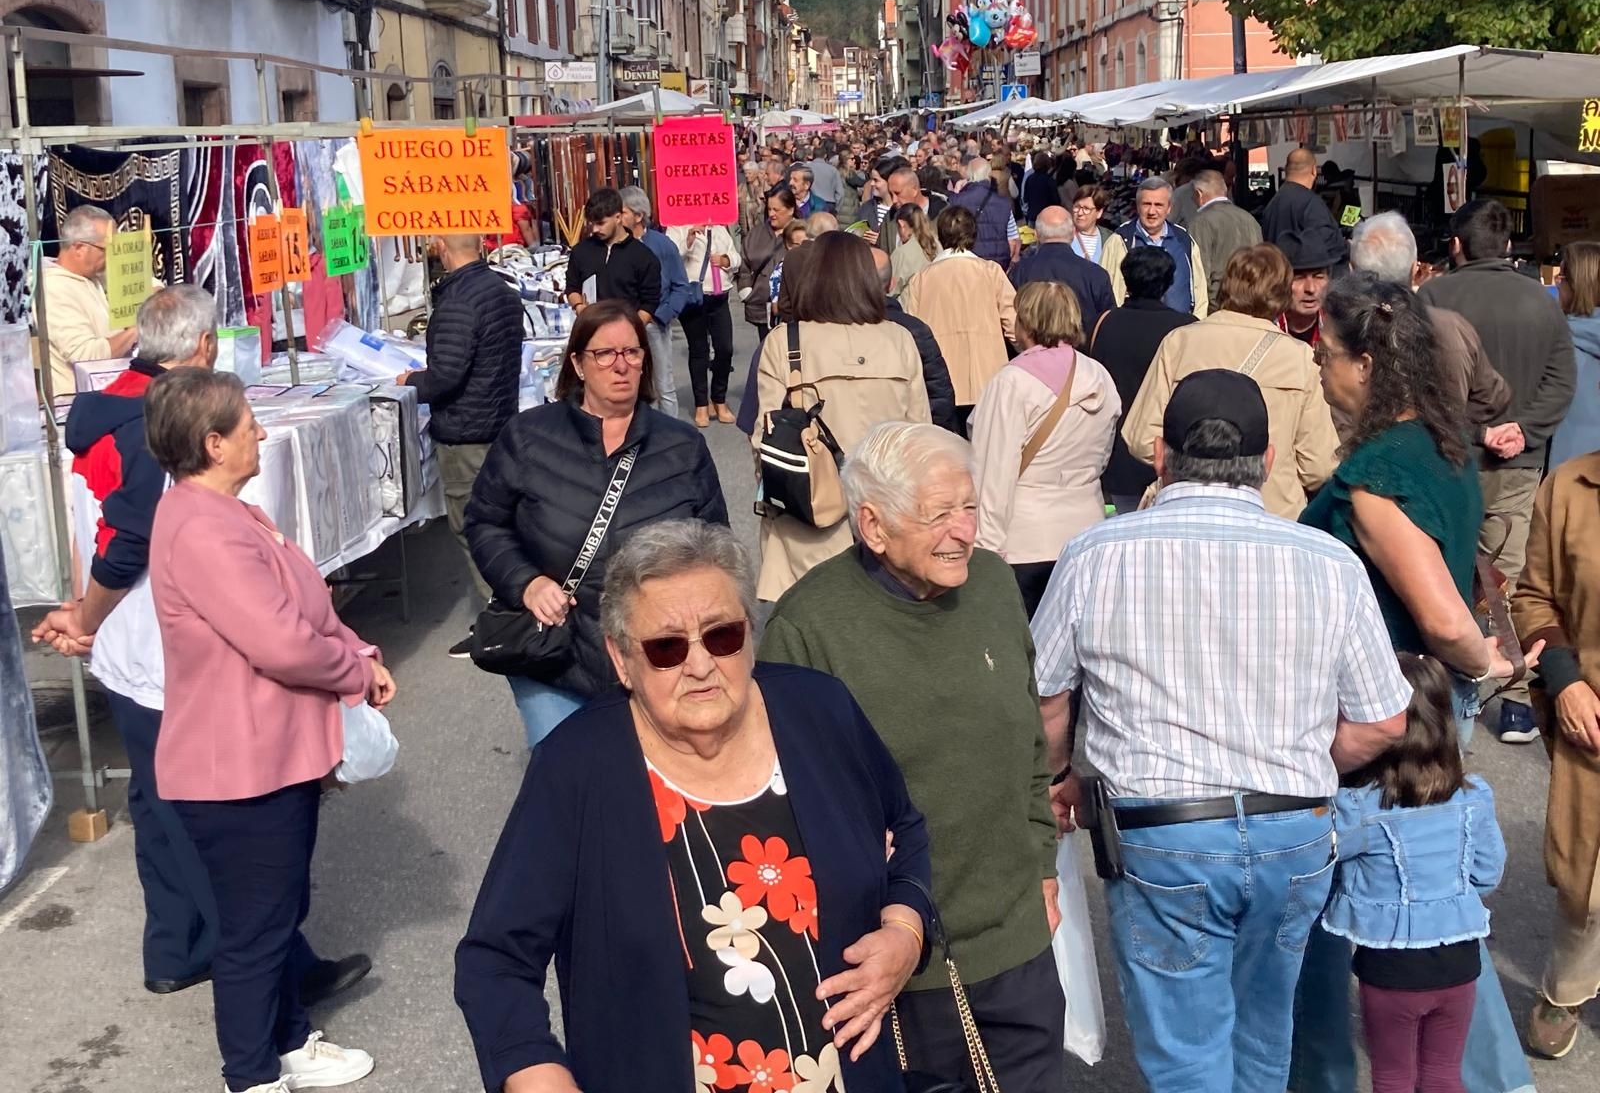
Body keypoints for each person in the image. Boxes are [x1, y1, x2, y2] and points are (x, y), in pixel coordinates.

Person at [455, 520, 936, 1093]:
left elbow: (904, 829)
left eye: (722, 636)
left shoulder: (820, 712)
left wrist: (906, 933)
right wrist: (538, 1076)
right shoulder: (577, 768)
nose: (700, 663)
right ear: (621, 659)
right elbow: (496, 960)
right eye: (665, 648)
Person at [1033, 369, 1412, 1093]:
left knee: (1186, 1057)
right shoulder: (1329, 563)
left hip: (1162, 833)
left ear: (1159, 455)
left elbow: (1048, 697)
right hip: (1292, 833)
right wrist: (1302, 765)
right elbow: (1382, 720)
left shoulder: (1095, 554)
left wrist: (1061, 777)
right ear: (1268, 462)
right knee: (1264, 1041)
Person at [32, 288, 366, 1009]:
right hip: (163, 646)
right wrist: (85, 615)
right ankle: (276, 972)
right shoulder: (173, 421)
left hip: (135, 643)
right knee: (208, 825)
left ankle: (174, 948)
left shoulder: (113, 402)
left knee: (157, 805)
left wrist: (84, 616)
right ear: (205, 346)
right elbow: (127, 542)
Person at [760, 423, 1067, 1093]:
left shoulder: (990, 586)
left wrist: (1043, 864)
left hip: (1018, 945)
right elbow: (782, 811)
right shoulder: (807, 629)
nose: (963, 531)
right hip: (899, 967)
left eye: (969, 508)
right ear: (873, 525)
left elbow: (1027, 745)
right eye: (938, 516)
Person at [1292, 274, 1535, 1093]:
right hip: (1421, 706)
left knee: (1350, 915)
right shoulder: (1438, 441)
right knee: (1433, 914)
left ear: (1366, 363)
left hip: (1388, 712)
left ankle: (1335, 1074)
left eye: (1326, 353)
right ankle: (1490, 1079)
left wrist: (1487, 664)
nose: (1318, 367)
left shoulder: (1378, 472)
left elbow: (1437, 612)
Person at [145, 368, 392, 1093]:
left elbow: (301, 608)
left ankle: (286, 1043)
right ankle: (251, 1075)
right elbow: (280, 644)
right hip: (236, 768)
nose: (260, 431)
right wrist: (351, 673)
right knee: (254, 932)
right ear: (212, 443)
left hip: (267, 755)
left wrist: (356, 653)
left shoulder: (228, 511)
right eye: (247, 423)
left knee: (275, 916)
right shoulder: (201, 529)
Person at [464, 301, 728, 748]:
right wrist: (527, 584)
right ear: (578, 364)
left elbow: (716, 543)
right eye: (604, 354)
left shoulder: (682, 445)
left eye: (632, 352)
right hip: (556, 656)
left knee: (653, 791)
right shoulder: (528, 437)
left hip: (657, 656)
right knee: (569, 784)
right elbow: (485, 522)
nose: (620, 366)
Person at [1425, 199, 1576, 744]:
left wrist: (1478, 431)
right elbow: (1561, 382)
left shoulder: (1435, 296)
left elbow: (1420, 386)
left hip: (1448, 457)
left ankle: (1437, 687)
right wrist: (1522, 431)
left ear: (1457, 245)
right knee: (1507, 579)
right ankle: (1514, 699)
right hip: (1519, 463)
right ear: (1510, 247)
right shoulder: (1543, 301)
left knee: (1442, 572)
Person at [1323, 655, 1506, 1093]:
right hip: (1460, 961)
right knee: (1443, 1075)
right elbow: (1487, 874)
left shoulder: (1358, 808)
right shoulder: (1474, 797)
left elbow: (1325, 867)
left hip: (1390, 967)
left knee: (1393, 1078)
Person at [752, 234, 930, 601]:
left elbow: (764, 441)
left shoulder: (785, 342)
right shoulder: (899, 339)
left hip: (810, 514)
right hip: (885, 512)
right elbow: (921, 436)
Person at [1123, 244, 1340, 518]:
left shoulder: (1180, 342)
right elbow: (1318, 466)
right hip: (1272, 512)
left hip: (1187, 507)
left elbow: (1141, 437)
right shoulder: (1299, 357)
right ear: (1281, 292)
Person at [398, 234, 525, 657]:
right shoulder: (501, 292)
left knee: (472, 524)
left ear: (441, 248)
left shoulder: (457, 302)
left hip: (468, 429)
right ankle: (513, 606)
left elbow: (446, 376)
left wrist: (410, 381)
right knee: (499, 520)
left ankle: (503, 617)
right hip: (496, 420)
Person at [1513, 449, 1600, 1059]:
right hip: (1592, 714)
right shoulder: (1571, 485)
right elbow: (1534, 597)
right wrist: (1565, 680)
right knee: (1585, 878)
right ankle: (1568, 985)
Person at [970, 280, 1120, 614]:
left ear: (1026, 321)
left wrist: (985, 551)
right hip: (1086, 532)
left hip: (1024, 540)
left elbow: (993, 472)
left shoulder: (1012, 382)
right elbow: (1102, 458)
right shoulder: (1101, 377)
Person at [1348, 212, 1512, 441]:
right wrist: (1454, 424)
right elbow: (1494, 396)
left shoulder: (1339, 331)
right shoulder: (1453, 327)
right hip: (1438, 459)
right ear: (1416, 269)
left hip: (1355, 462)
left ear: (1351, 268)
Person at [1089, 248, 1197, 514]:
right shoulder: (1186, 328)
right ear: (1169, 282)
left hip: (1117, 450)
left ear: (1126, 279)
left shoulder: (1105, 322)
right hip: (1170, 450)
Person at [901, 206, 1018, 435]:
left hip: (940, 380)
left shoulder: (921, 279)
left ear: (941, 236)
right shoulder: (991, 272)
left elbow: (909, 330)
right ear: (973, 235)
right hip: (988, 375)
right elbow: (1014, 324)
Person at [41, 204, 137, 397]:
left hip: (115, 394)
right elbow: (86, 356)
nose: (112, 256)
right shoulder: (53, 287)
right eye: (107, 249)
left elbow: (146, 282)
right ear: (79, 248)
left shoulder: (95, 272)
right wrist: (137, 331)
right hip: (78, 403)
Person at [618, 186, 692, 419]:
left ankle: (670, 436)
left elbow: (681, 285)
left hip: (655, 324)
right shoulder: (616, 246)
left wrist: (663, 315)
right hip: (625, 325)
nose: (618, 218)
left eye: (623, 212)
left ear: (638, 216)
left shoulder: (662, 245)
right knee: (632, 385)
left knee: (663, 386)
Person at [870, 245, 958, 433]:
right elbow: (939, 395)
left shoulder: (913, 330)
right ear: (892, 283)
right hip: (908, 437)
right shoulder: (915, 328)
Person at [666, 221, 741, 429]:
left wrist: (726, 259)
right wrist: (688, 240)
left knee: (725, 349)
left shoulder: (719, 228)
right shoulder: (677, 227)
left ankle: (719, 399)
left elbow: (736, 257)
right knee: (699, 350)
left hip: (719, 296)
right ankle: (701, 403)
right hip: (693, 298)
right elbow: (671, 257)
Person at [1100, 177, 1209, 316]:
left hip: (1179, 331)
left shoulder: (1184, 240)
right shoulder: (1119, 241)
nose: (1152, 211)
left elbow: (1200, 294)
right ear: (1137, 206)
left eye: (1158, 205)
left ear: (1169, 208)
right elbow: (1106, 293)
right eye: (1146, 204)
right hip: (1136, 331)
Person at [1007, 205, 1115, 328]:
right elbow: (1109, 324)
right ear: (1073, 233)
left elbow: (1010, 318)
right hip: (1083, 345)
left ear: (1036, 235)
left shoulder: (1019, 272)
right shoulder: (1096, 274)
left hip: (1032, 344)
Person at [564, 188, 662, 318]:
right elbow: (572, 287)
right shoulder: (580, 251)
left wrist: (633, 329)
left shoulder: (643, 257)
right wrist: (579, 307)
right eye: (592, 223)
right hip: (591, 328)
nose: (595, 229)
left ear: (618, 217)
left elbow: (649, 303)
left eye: (601, 223)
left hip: (627, 330)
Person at [1549, 240, 1600, 467]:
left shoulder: (1556, 343)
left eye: (1561, 278)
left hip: (1573, 475)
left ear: (1577, 285)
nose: (1556, 285)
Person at [1188, 168, 1263, 308]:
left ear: (1199, 194)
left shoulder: (1201, 222)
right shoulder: (1250, 219)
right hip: (1252, 302)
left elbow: (1199, 273)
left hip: (1217, 305)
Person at [1261, 148, 1348, 267]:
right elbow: (1328, 246)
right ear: (1314, 170)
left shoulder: (1272, 203)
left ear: (1287, 170)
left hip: (1278, 275)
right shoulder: (1311, 203)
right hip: (1303, 277)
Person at [736, 187, 793, 340]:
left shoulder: (799, 233)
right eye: (769, 209)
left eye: (777, 210)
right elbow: (744, 264)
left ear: (790, 210)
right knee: (767, 351)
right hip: (761, 303)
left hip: (791, 306)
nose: (772, 214)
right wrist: (746, 289)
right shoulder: (756, 233)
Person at [946, 158, 1019, 271]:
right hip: (998, 265)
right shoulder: (1003, 203)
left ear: (969, 175)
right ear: (988, 174)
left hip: (967, 263)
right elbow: (1013, 239)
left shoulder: (955, 201)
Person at [1277, 232, 1341, 346]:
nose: (1310, 289)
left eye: (1319, 276)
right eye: (1299, 278)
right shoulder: (1266, 327)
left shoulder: (1340, 329)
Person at [856, 156, 910, 249]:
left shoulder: (903, 210)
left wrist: (882, 240)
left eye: (876, 180)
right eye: (871, 179)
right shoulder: (867, 207)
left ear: (889, 181)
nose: (872, 184)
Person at [888, 202, 937, 296]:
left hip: (909, 307)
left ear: (901, 225)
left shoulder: (902, 253)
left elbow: (890, 290)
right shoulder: (936, 244)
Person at [1067, 183, 1114, 263]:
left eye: (1086, 209)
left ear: (1099, 212)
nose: (1080, 213)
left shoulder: (1109, 239)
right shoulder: (1064, 234)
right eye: (1077, 207)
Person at [1021, 148, 1062, 224]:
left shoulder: (1029, 178)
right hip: (1046, 218)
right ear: (1047, 165)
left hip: (1032, 216)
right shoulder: (1049, 181)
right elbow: (1056, 200)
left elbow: (1025, 198)